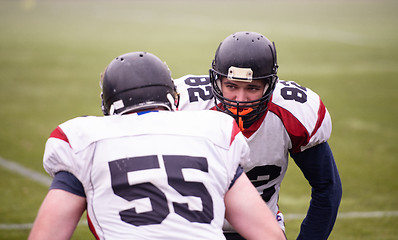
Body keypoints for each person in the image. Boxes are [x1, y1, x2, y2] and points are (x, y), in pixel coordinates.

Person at [28, 51, 285, 240]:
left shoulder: (85, 140)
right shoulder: (212, 133)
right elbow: (268, 235)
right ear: (171, 97)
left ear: (109, 102)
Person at [174, 31, 342, 240]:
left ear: (269, 85)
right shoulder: (184, 108)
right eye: (231, 86)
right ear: (217, 81)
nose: (240, 99)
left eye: (252, 88)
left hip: (260, 230)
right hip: (193, 230)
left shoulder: (292, 114)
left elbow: (327, 186)